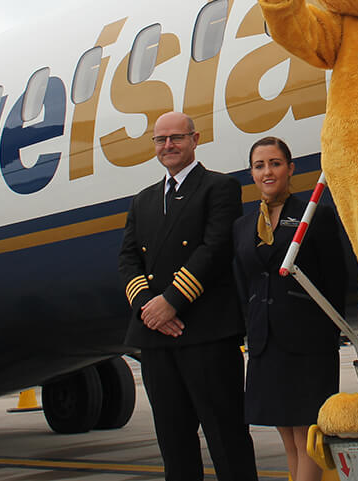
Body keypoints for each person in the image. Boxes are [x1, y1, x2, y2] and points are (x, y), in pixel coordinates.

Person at [117, 111, 258, 481]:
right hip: (157, 340)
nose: (168, 146)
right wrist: (149, 309)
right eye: (161, 140)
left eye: (176, 138)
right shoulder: (142, 200)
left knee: (226, 437)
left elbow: (214, 250)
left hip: (206, 333)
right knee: (173, 441)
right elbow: (128, 259)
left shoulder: (219, 188)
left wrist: (171, 303)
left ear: (195, 140)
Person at [233, 136, 347, 481]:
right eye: (259, 165)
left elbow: (335, 279)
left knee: (308, 434)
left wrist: (326, 331)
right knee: (287, 435)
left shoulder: (314, 214)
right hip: (266, 341)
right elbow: (244, 283)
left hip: (306, 339)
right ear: (252, 173)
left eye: (275, 163)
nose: (268, 171)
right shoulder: (241, 227)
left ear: (290, 168)